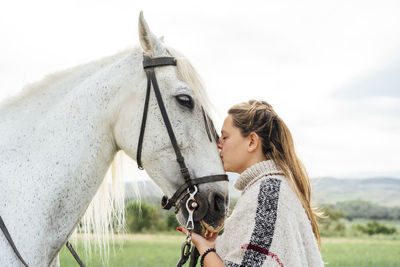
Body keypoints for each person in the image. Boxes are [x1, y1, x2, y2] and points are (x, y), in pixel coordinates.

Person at [177, 100, 324, 266]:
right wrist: (214, 246)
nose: (218, 144)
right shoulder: (271, 187)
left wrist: (205, 249)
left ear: (252, 142)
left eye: (225, 137)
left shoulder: (267, 193)